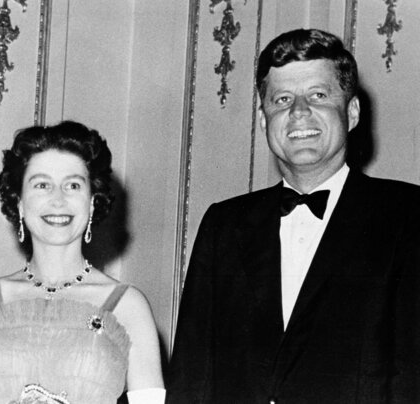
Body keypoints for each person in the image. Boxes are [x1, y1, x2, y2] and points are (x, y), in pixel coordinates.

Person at [166, 28, 420, 403]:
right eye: (282, 99)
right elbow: (190, 377)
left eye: (318, 95)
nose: (298, 112)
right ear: (263, 118)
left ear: (351, 112)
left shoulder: (408, 215)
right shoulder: (224, 225)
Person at [0, 121, 165, 404]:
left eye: (73, 185)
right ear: (19, 202)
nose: (58, 200)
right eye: (42, 185)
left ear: (91, 201)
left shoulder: (128, 305)